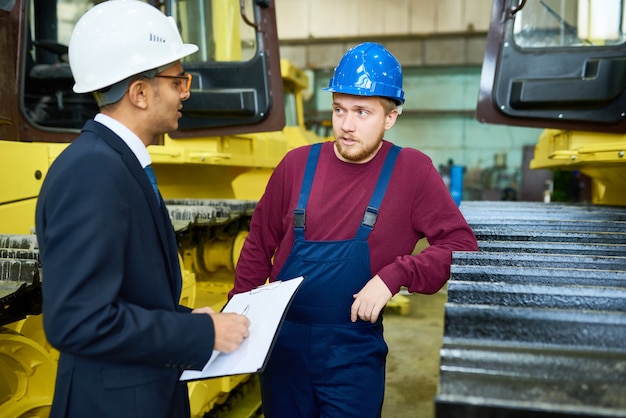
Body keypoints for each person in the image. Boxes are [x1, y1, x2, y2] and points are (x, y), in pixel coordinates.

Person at [230, 42, 478, 417]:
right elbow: (258, 244)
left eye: (362, 112)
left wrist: (397, 274)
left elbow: (462, 245)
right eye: (339, 110)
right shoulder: (296, 165)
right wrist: (236, 312)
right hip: (283, 349)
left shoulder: (411, 172)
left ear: (390, 117)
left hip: (352, 354)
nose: (347, 125)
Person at [34, 2, 249, 418]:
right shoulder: (94, 171)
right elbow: (79, 321)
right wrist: (200, 333)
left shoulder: (113, 162)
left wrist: (190, 319)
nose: (185, 91)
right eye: (177, 80)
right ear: (139, 92)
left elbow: (128, 294)